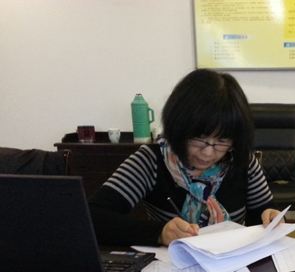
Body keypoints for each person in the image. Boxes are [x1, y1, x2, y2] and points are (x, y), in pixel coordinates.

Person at [88, 69, 282, 246]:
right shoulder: (151, 161)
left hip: (231, 264)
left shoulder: (241, 160)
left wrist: (270, 217)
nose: (208, 153)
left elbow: (262, 213)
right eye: (198, 138)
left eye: (222, 140)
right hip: (170, 266)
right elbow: (91, 217)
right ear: (178, 128)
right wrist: (159, 233)